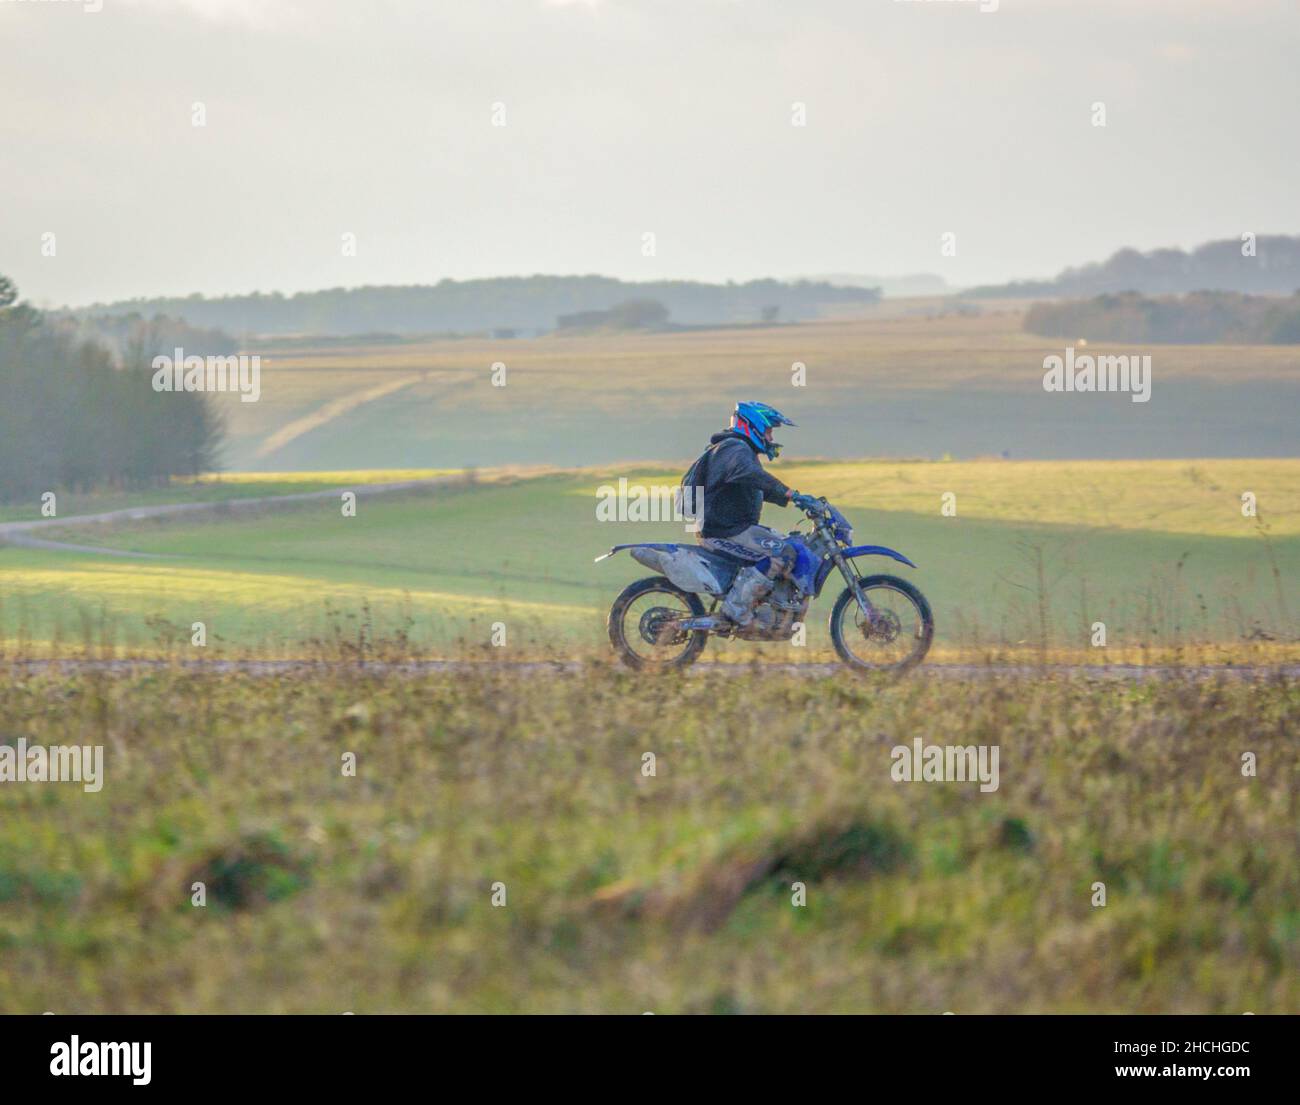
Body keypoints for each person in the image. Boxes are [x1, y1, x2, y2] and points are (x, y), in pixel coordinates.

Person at [684, 401, 820, 626]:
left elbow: (755, 486)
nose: (771, 438)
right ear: (753, 426)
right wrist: (790, 494)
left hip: (734, 528)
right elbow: (754, 476)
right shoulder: (734, 449)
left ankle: (766, 604)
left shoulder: (738, 450)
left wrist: (796, 500)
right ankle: (737, 609)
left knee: (791, 544)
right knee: (782, 553)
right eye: (769, 431)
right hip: (723, 531)